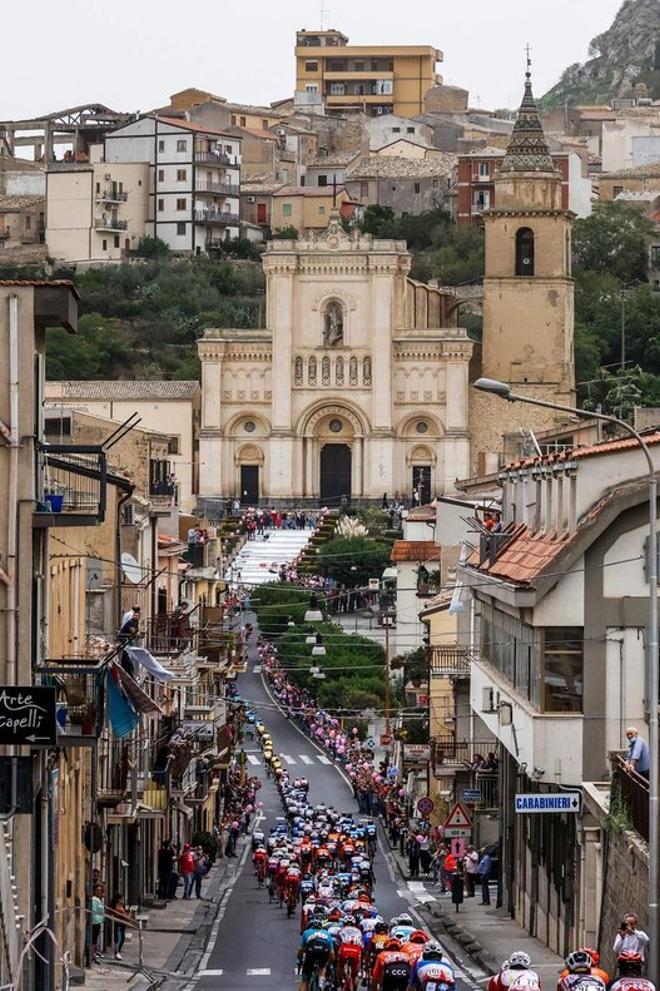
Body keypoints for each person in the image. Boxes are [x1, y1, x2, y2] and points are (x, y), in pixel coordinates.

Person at [109, 892, 130, 960]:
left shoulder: (118, 907)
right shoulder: (119, 908)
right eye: (122, 899)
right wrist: (129, 913)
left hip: (120, 925)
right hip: (120, 925)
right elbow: (127, 918)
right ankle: (117, 952)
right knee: (119, 939)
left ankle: (117, 952)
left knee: (120, 939)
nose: (123, 900)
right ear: (119, 900)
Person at [91, 884, 105, 963]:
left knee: (95, 939)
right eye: (97, 890)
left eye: (100, 890)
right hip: (94, 922)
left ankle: (94, 954)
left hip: (98, 922)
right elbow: (93, 910)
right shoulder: (94, 899)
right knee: (93, 939)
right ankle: (92, 955)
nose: (99, 892)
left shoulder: (98, 899)